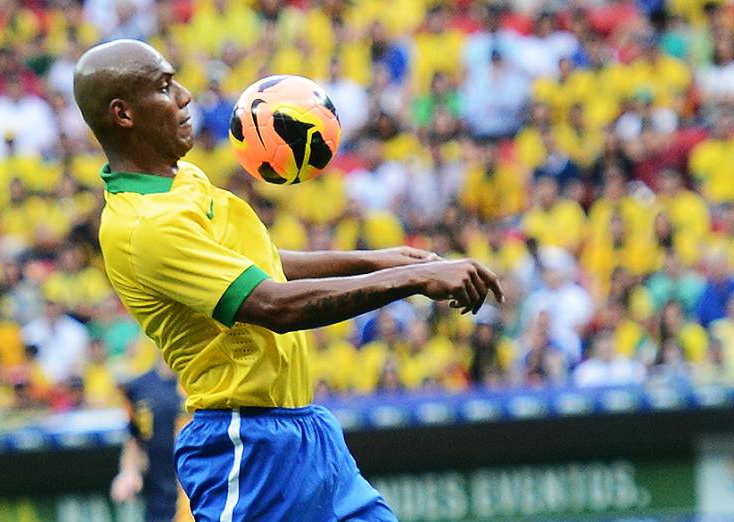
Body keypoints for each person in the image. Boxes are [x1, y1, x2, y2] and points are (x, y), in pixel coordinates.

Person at [74, 39, 503, 521]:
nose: (185, 96)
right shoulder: (144, 225)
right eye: (165, 86)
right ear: (123, 114)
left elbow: (264, 263)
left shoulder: (182, 181)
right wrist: (414, 279)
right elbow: (274, 304)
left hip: (306, 433)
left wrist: (381, 261)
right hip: (245, 446)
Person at [110, 356, 188, 522]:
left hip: (201, 500)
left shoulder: (209, 385)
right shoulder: (138, 388)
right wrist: (129, 471)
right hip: (159, 505)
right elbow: (136, 440)